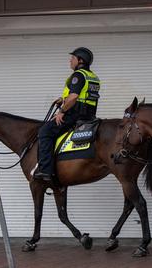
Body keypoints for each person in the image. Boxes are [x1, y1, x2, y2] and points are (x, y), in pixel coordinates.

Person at [33, 47, 101, 182]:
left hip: (74, 115)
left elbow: (74, 97)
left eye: (73, 58)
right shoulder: (93, 77)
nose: (70, 60)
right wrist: (63, 99)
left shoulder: (78, 75)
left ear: (80, 60)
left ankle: (45, 171)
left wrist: (61, 111)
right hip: (89, 115)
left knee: (45, 131)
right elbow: (82, 95)